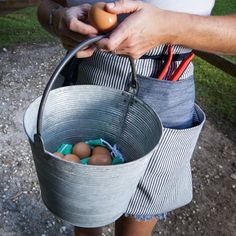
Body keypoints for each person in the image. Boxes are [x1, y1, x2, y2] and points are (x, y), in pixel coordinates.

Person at [37, 0, 236, 235]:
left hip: (163, 74)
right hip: (85, 69)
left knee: (137, 219)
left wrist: (170, 27)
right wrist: (58, 18)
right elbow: (47, 6)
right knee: (84, 204)